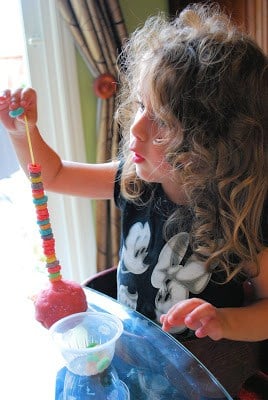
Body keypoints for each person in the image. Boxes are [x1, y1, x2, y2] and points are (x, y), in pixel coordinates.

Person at [0, 2, 267, 397]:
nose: (135, 128)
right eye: (142, 105)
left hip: (193, 376)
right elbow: (52, 174)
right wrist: (24, 135)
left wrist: (225, 322)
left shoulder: (238, 216)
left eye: (162, 119)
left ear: (211, 139)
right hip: (130, 356)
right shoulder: (135, 180)